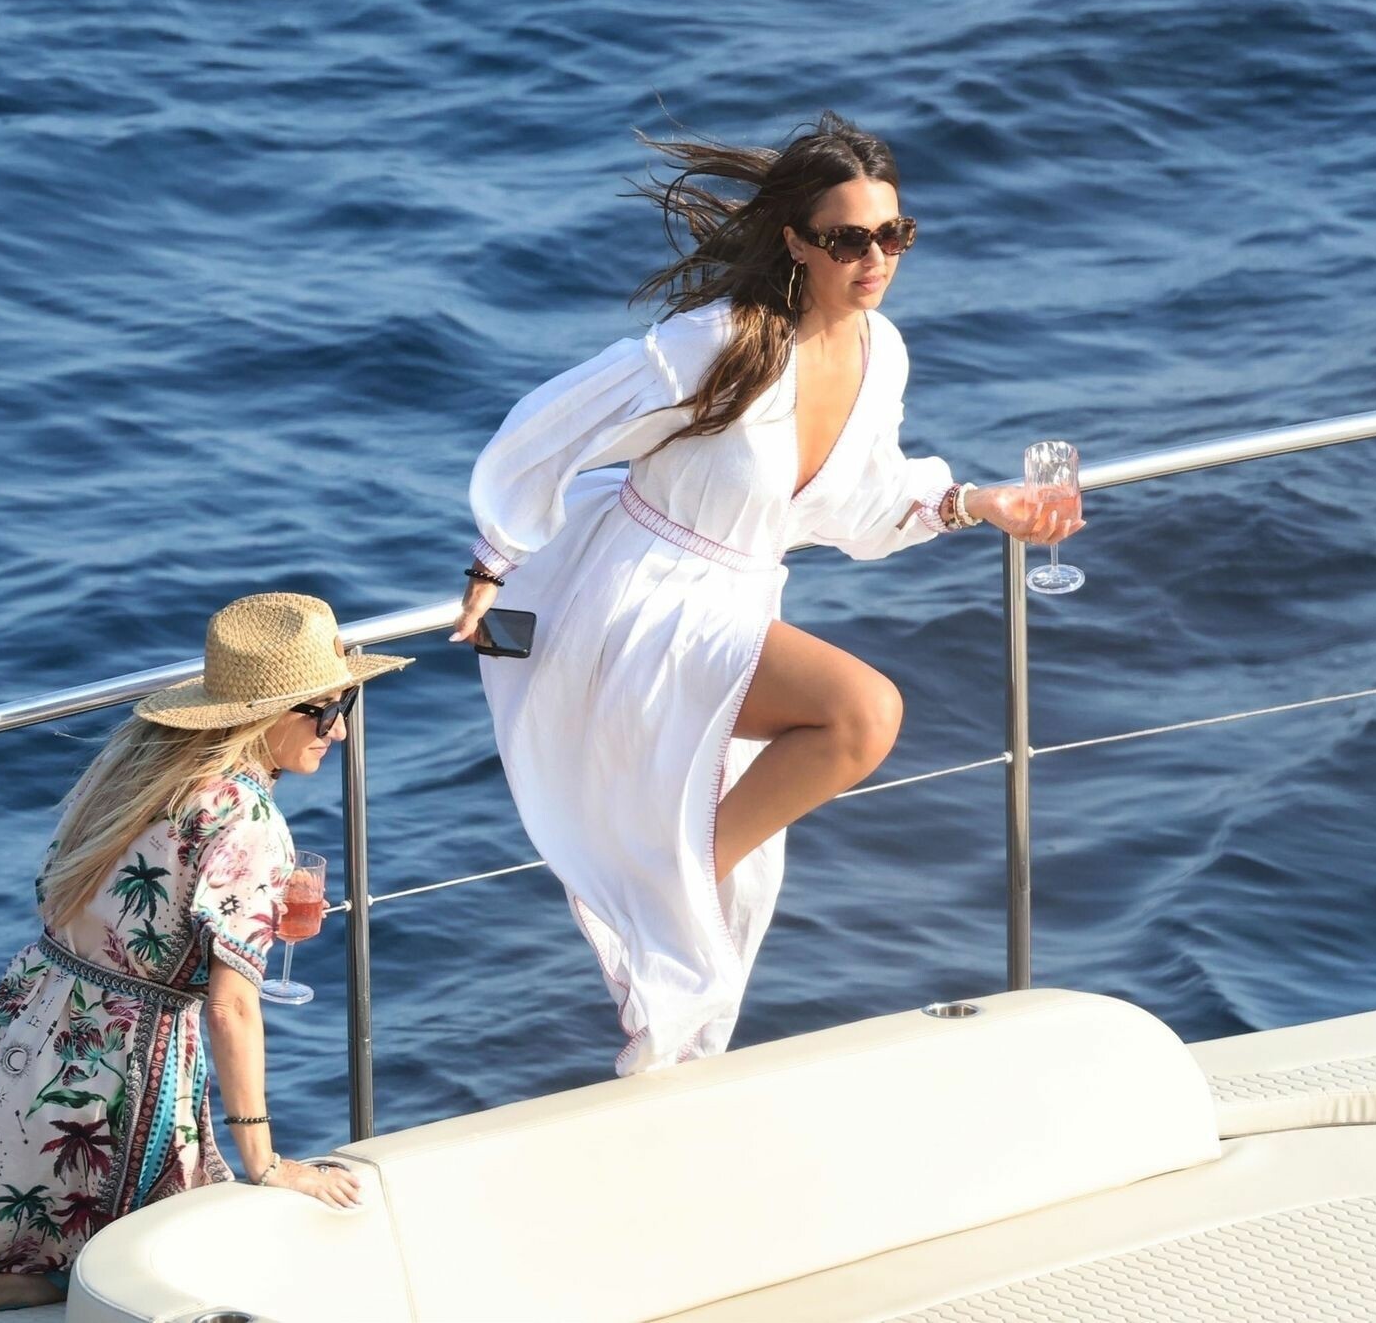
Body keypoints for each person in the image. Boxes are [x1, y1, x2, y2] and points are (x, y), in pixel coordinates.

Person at [453, 110, 1085, 1078]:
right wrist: (495, 555)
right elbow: (551, 424)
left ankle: (671, 926)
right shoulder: (719, 342)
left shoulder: (881, 352)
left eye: (894, 236)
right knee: (863, 713)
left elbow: (866, 502)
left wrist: (976, 503)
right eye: (848, 240)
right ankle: (667, 884)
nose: (874, 260)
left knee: (740, 898)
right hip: (647, 594)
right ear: (795, 242)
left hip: (741, 598)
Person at [0, 592, 410, 1322]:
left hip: (30, 1026)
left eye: (346, 704)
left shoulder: (134, 773)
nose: (343, 730)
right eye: (327, 711)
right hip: (127, 1063)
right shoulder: (250, 822)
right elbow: (232, 1009)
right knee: (166, 1265)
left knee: (38, 1238)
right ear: (269, 713)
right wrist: (266, 1160)